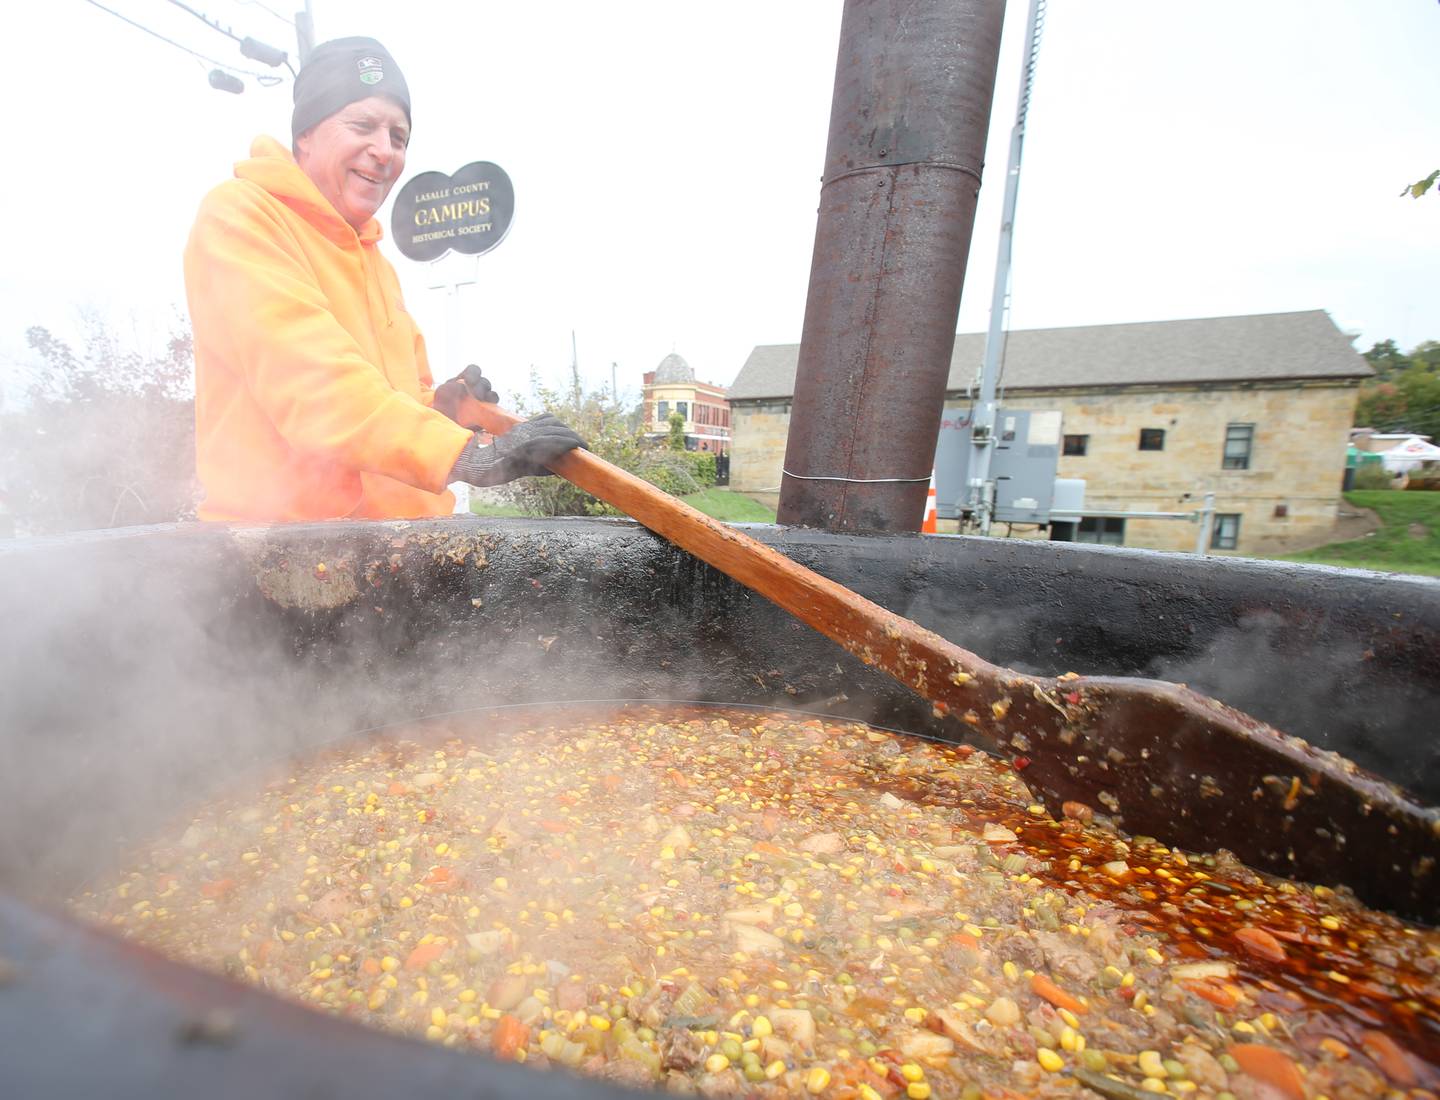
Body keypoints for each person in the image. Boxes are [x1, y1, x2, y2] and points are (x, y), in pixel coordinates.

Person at [184, 37, 582, 522]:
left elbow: (387, 398)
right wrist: (463, 454)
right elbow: (312, 385)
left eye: (399, 136)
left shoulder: (376, 261)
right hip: (283, 555)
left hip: (397, 550)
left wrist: (439, 409)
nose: (383, 151)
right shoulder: (241, 216)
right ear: (306, 133)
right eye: (363, 126)